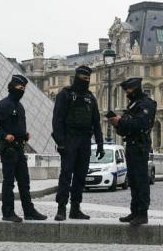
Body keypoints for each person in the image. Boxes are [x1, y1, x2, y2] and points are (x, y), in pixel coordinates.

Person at [0, 74, 47, 222]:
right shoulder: (4, 104)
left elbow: (17, 126)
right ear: (12, 87)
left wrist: (25, 135)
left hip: (19, 148)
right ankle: (8, 212)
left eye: (24, 88)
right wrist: (4, 135)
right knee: (9, 182)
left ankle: (29, 211)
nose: (22, 90)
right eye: (20, 87)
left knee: (24, 182)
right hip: (9, 149)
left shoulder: (20, 106)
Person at [51, 65, 104, 221]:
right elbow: (57, 120)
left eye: (88, 79)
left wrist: (100, 144)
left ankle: (75, 208)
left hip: (85, 140)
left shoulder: (90, 97)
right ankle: (61, 208)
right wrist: (60, 142)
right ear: (76, 77)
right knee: (66, 175)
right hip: (69, 139)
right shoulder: (65, 94)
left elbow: (96, 123)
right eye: (83, 78)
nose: (85, 81)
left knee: (81, 176)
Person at [108, 78, 156, 226]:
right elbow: (125, 130)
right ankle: (134, 211)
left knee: (141, 180)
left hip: (140, 146)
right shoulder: (133, 105)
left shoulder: (146, 104)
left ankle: (142, 213)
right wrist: (117, 124)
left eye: (128, 90)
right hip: (131, 144)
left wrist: (121, 121)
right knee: (133, 181)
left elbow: (141, 124)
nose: (127, 93)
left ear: (135, 88)